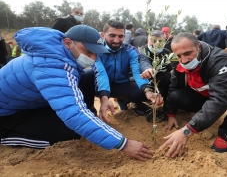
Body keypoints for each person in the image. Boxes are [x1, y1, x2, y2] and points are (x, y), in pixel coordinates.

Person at [0, 25, 154, 162]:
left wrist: (104, 98)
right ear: (68, 43)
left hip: (30, 102)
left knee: (87, 77)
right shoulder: (51, 68)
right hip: (9, 114)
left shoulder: (59, 53)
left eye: (96, 54)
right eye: (89, 52)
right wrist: (123, 143)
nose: (93, 58)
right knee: (70, 132)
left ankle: (90, 120)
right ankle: (5, 135)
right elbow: (74, 114)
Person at [159, 32, 227, 157]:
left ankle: (226, 132)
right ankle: (203, 115)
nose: (184, 60)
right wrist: (171, 114)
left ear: (198, 47)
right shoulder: (177, 59)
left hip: (226, 95)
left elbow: (219, 99)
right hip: (202, 95)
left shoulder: (219, 59)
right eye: (179, 56)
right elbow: (173, 87)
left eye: (187, 53)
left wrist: (187, 130)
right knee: (176, 95)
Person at [92, 20, 163, 123]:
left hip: (122, 84)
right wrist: (104, 98)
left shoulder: (130, 50)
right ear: (103, 35)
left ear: (124, 37)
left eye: (120, 36)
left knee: (144, 92)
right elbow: (101, 74)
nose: (116, 40)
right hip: (99, 86)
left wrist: (147, 90)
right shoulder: (96, 51)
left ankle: (129, 102)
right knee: (86, 78)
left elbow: (137, 72)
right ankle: (91, 111)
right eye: (112, 36)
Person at [139, 30, 172, 122]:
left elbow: (171, 68)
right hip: (146, 80)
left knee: (173, 81)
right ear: (148, 41)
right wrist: (148, 70)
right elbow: (143, 61)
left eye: (160, 41)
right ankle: (138, 105)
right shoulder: (142, 51)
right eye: (153, 41)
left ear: (164, 42)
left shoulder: (166, 52)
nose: (156, 44)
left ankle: (167, 110)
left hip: (162, 80)